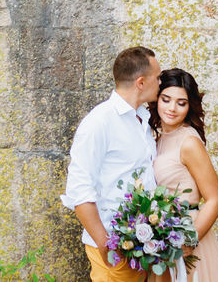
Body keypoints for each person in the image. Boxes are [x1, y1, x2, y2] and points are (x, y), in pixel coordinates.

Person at [62, 46, 162, 282]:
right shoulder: (99, 122)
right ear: (140, 82)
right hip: (114, 249)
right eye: (157, 78)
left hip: (140, 249)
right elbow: (79, 188)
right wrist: (104, 242)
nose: (161, 82)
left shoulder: (143, 120)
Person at [148, 69, 218, 282]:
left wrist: (189, 242)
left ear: (190, 106)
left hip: (187, 232)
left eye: (181, 103)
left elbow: (214, 199)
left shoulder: (189, 142)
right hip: (163, 236)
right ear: (156, 99)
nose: (172, 108)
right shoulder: (157, 138)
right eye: (166, 99)